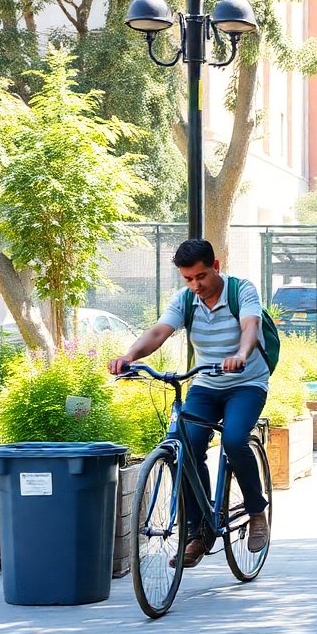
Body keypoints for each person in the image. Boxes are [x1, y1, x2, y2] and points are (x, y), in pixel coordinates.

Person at [108, 239, 271, 567]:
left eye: (201, 276)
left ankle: (256, 512)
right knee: (184, 445)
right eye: (188, 279)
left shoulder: (241, 291)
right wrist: (129, 356)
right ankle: (199, 530)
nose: (195, 285)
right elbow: (159, 332)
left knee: (234, 439)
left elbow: (250, 326)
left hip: (246, 383)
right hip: (205, 384)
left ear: (216, 266)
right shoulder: (185, 300)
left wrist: (241, 354)